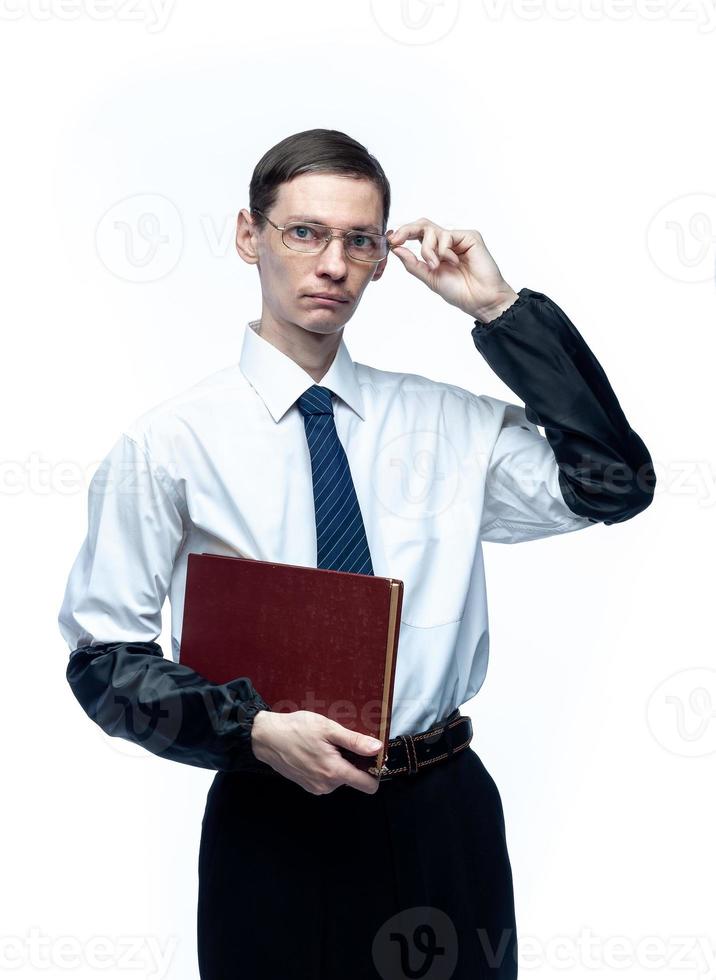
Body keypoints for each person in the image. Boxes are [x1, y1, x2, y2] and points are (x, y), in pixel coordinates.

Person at [58, 128, 655, 979]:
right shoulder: (170, 444)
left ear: (382, 258)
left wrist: (500, 311)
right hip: (272, 826)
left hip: (443, 817)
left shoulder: (448, 425)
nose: (332, 263)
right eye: (305, 232)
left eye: (359, 240)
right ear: (248, 235)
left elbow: (615, 484)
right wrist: (255, 729)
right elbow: (104, 662)